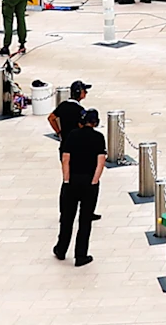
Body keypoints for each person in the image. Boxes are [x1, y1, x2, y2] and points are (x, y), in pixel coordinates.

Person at [54, 86, 107, 264]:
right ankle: (80, 255)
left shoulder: (72, 135)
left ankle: (61, 249)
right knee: (85, 221)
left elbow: (65, 159)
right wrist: (94, 181)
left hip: (72, 180)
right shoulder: (99, 138)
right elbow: (101, 162)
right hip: (89, 182)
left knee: (67, 218)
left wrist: (66, 179)